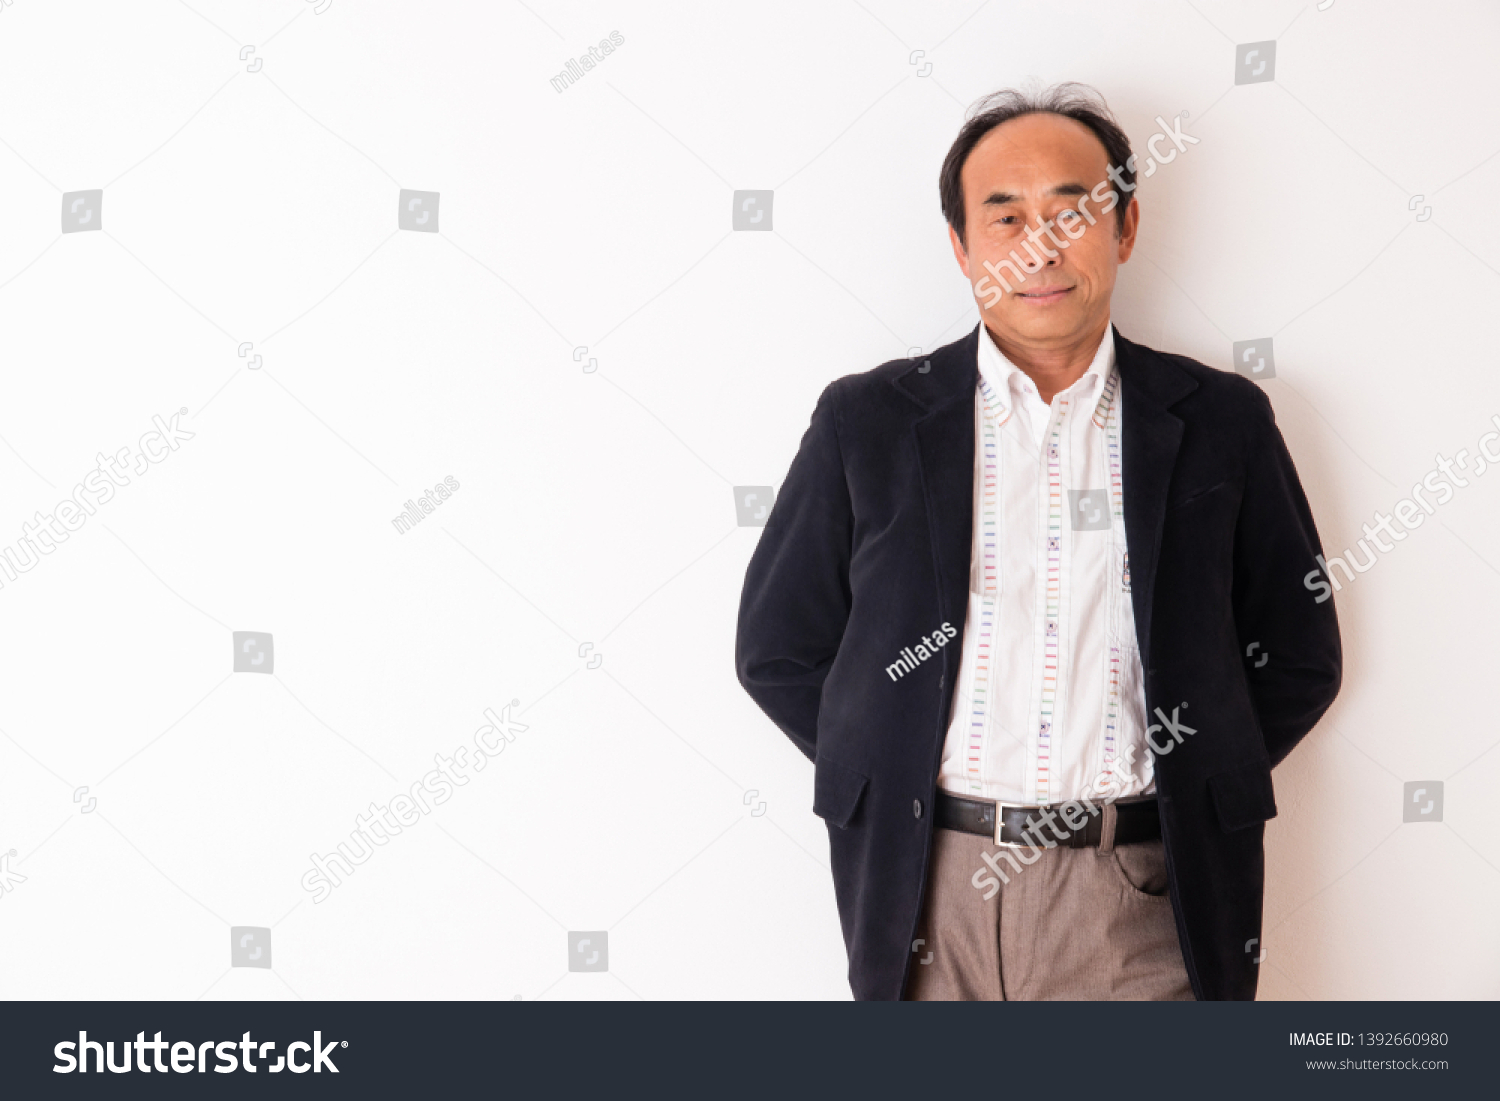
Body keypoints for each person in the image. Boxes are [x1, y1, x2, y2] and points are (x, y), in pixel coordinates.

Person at [734, 84, 1341, 1000]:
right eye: (1005, 214)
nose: (1041, 243)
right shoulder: (867, 421)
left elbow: (1297, 656)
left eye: (1074, 210)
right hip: (923, 894)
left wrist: (1196, 775)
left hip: (1141, 896)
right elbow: (779, 648)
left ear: (1125, 227)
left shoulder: (1221, 421)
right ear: (961, 244)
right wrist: (884, 771)